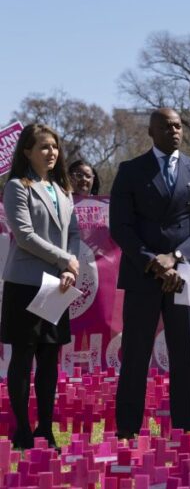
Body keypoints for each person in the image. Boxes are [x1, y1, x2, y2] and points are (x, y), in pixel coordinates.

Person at [110, 108, 190, 440]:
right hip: (143, 273)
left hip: (183, 273)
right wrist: (152, 260)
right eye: (166, 126)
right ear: (151, 131)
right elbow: (120, 227)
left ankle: (185, 428)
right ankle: (127, 430)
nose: (174, 131)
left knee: (185, 353)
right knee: (136, 354)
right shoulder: (130, 171)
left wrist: (177, 257)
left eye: (178, 126)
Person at [1, 123, 81, 450]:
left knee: (50, 359)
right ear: (27, 151)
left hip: (57, 286)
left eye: (54, 147)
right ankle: (22, 429)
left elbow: (73, 235)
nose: (51, 153)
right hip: (26, 284)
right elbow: (24, 235)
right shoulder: (17, 187)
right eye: (43, 147)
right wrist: (64, 260)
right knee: (24, 357)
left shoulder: (63, 189)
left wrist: (70, 268)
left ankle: (45, 429)